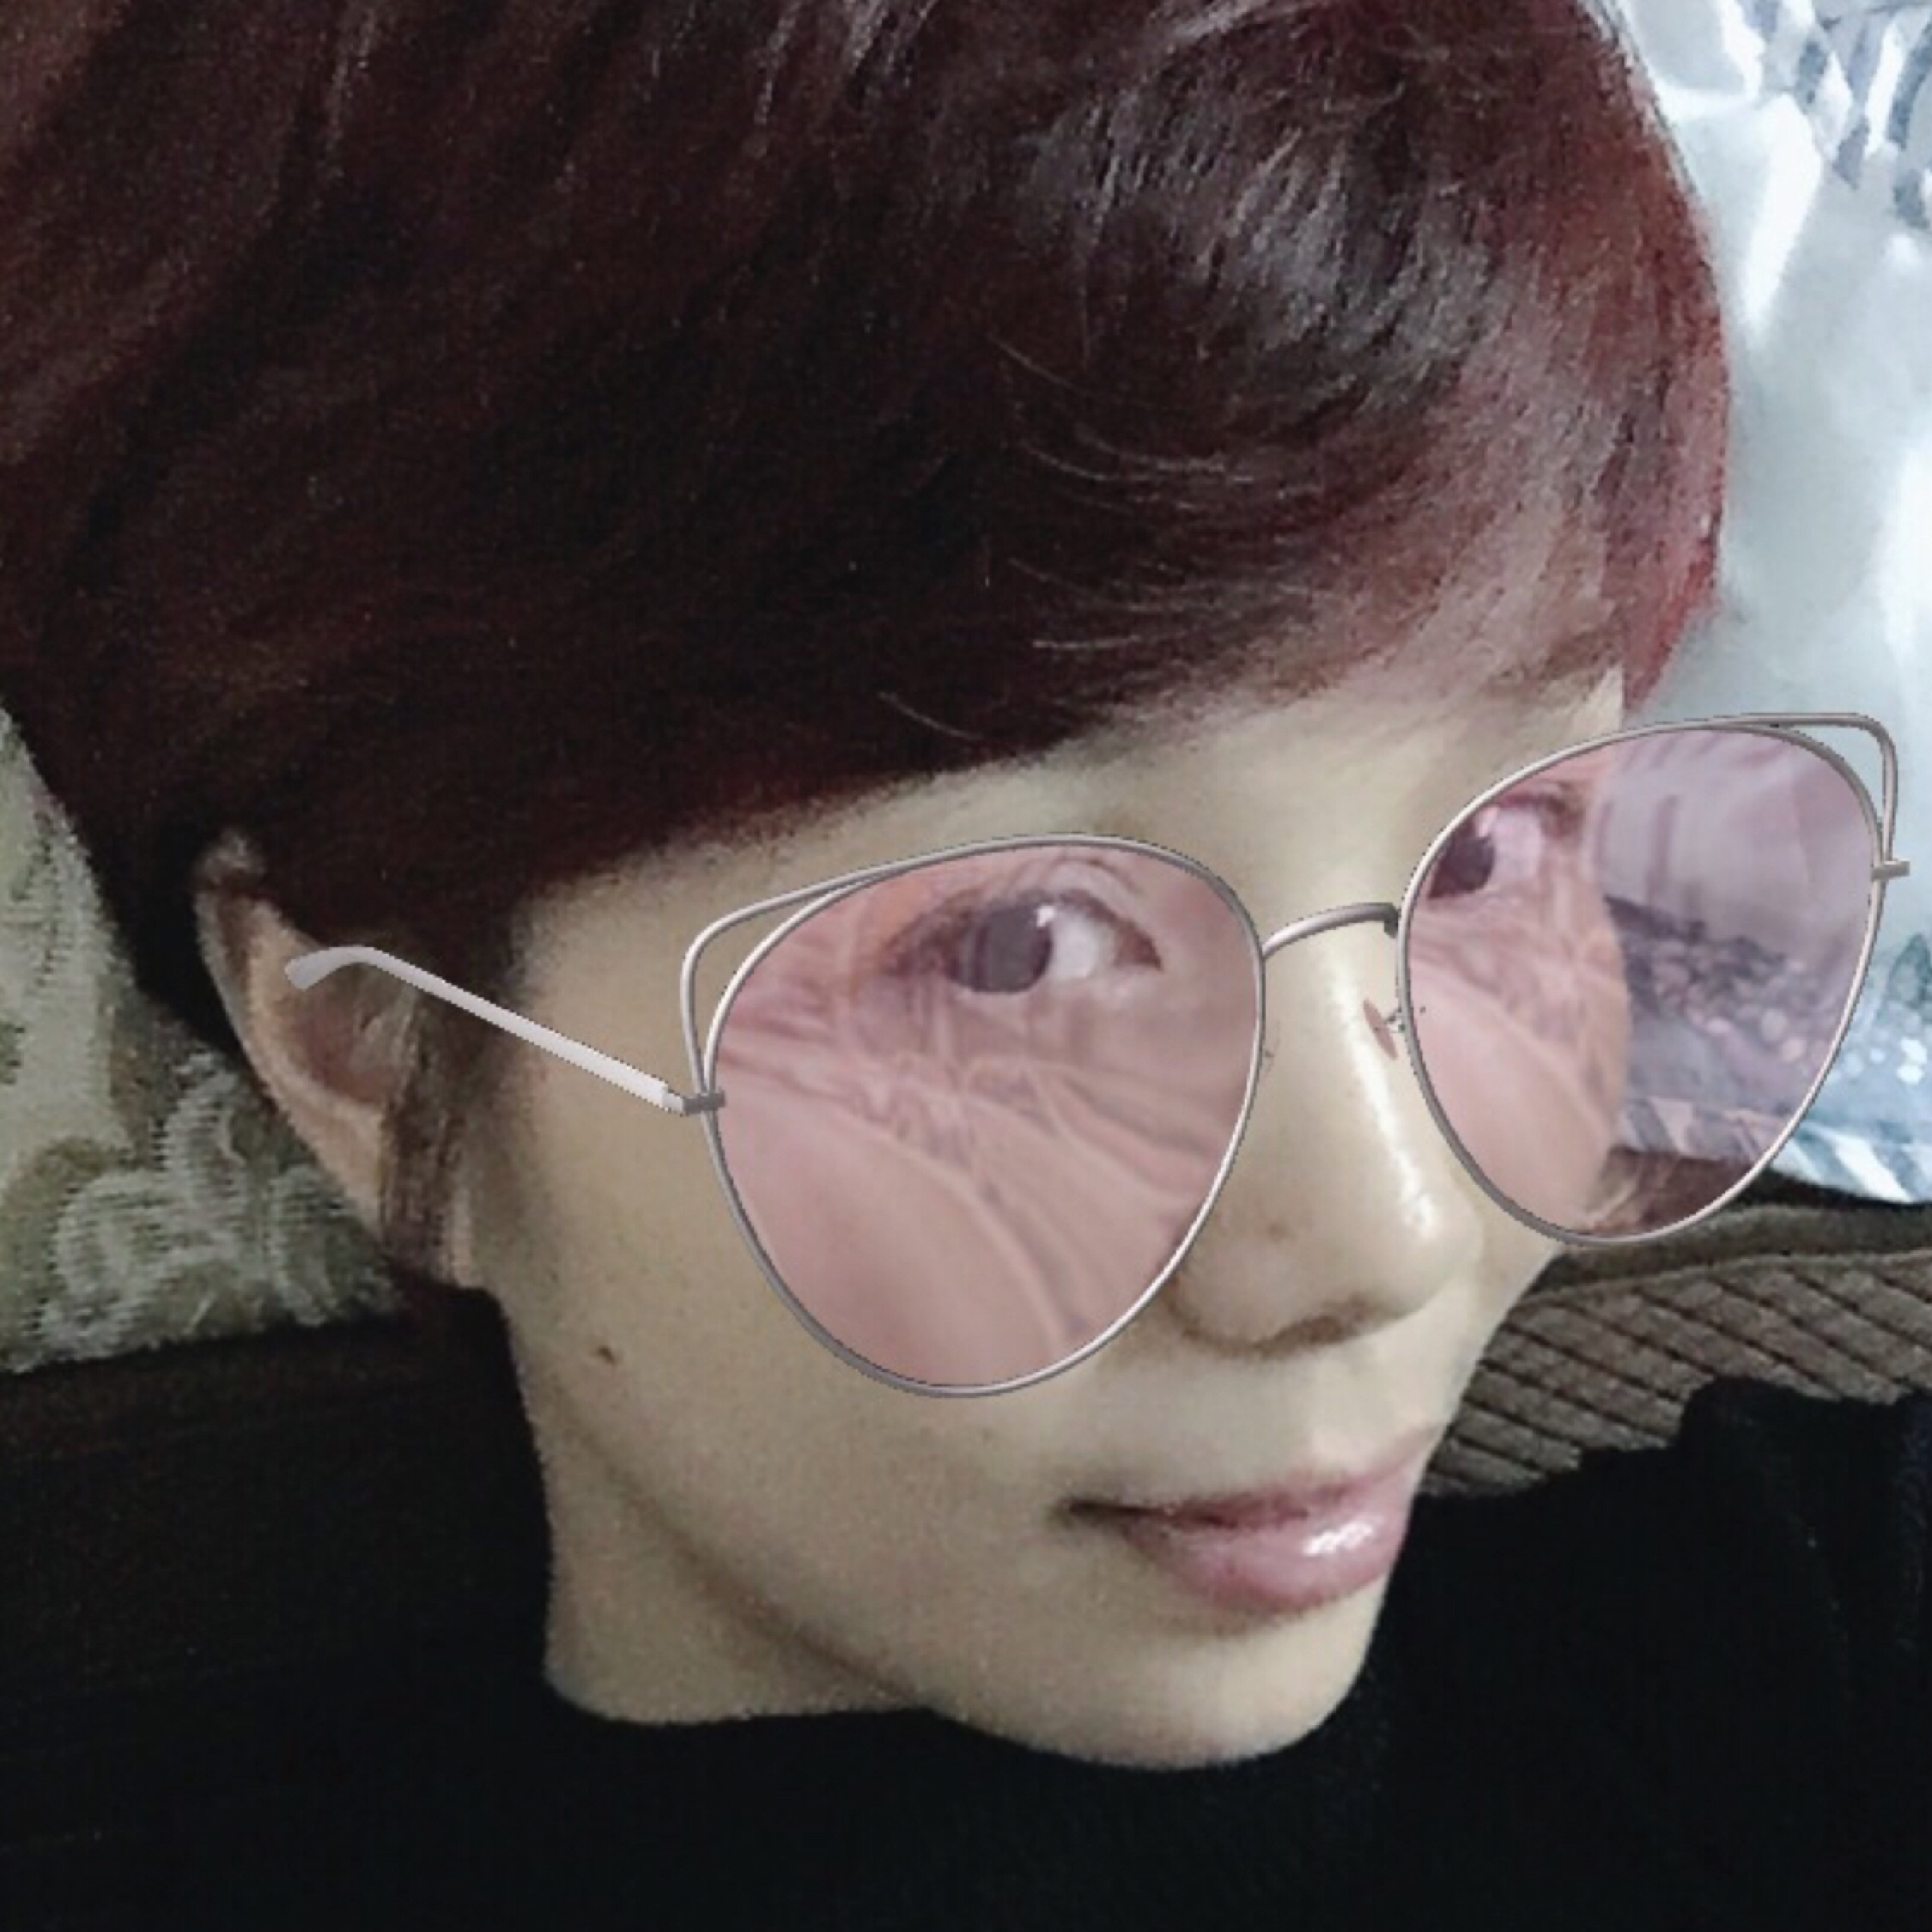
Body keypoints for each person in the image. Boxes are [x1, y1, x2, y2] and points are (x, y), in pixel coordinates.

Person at [0, 2, 1924, 1926]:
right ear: (374, 1055)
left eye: (1496, 852)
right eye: (1017, 947)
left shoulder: (1803, 1642)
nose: (1385, 1235)